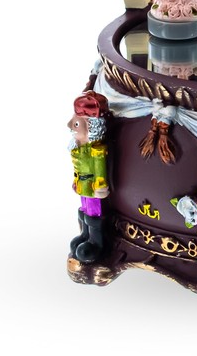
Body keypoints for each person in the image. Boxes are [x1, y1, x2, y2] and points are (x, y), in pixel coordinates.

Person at [68, 91, 110, 264]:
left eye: (76, 123)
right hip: (83, 185)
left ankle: (95, 242)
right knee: (84, 208)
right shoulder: (78, 146)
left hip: (92, 186)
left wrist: (100, 186)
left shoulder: (96, 150)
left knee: (93, 211)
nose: (70, 125)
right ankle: (85, 234)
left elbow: (99, 169)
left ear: (91, 127)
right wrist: (76, 181)